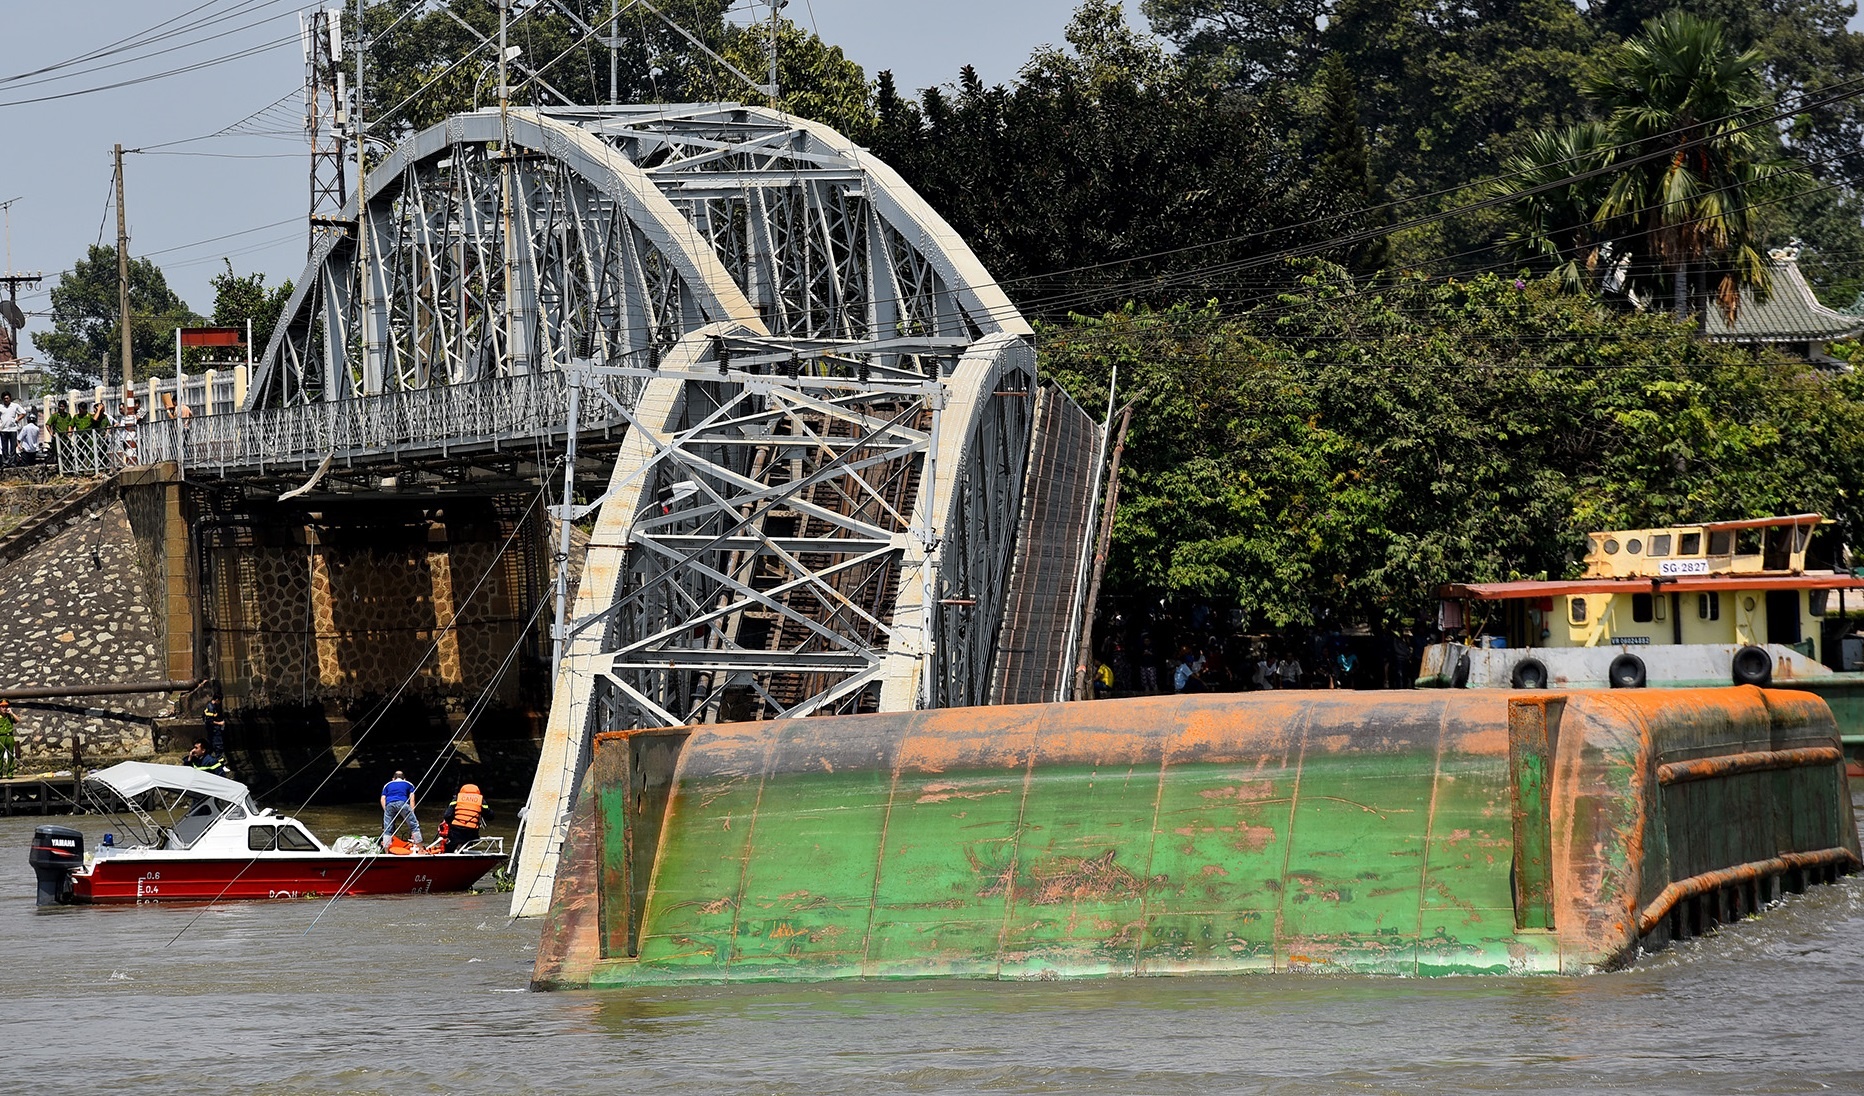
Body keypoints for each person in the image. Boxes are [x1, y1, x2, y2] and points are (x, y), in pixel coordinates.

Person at [439, 783, 491, 852]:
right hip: (471, 832)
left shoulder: (457, 798)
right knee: (468, 840)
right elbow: (490, 816)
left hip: (456, 831)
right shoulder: (481, 800)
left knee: (448, 847)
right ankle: (462, 849)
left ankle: (452, 851)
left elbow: (447, 816)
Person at [380, 770, 421, 845]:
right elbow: (412, 799)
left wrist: (386, 811)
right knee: (414, 826)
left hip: (389, 804)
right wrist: (412, 814)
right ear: (404, 779)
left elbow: (383, 799)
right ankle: (420, 848)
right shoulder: (409, 784)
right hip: (403, 803)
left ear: (393, 779)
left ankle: (386, 850)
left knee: (387, 829)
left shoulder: (387, 785)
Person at [202, 690, 227, 756]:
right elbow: (209, 721)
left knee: (211, 742)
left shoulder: (211, 705)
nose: (220, 702)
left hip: (212, 729)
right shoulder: (211, 708)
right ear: (216, 699)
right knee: (218, 743)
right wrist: (220, 723)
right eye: (219, 700)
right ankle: (219, 757)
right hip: (213, 729)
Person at [0, 392, 21, 466]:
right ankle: (5, 462)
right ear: (2, 399)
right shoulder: (1, 407)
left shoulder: (15, 406)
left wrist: (17, 419)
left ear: (10, 398)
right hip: (3, 429)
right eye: (4, 398)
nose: (6, 400)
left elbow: (23, 413)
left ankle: (12, 462)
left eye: (7, 398)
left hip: (13, 429)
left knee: (13, 447)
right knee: (4, 447)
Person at [0, 699, 16, 778]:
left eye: (6, 706)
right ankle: (0, 773)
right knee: (0, 756)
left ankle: (10, 772)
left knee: (10, 755)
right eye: (2, 706)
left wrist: (12, 713)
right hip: (1, 737)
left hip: (9, 736)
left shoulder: (10, 716)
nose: (4, 708)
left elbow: (18, 720)